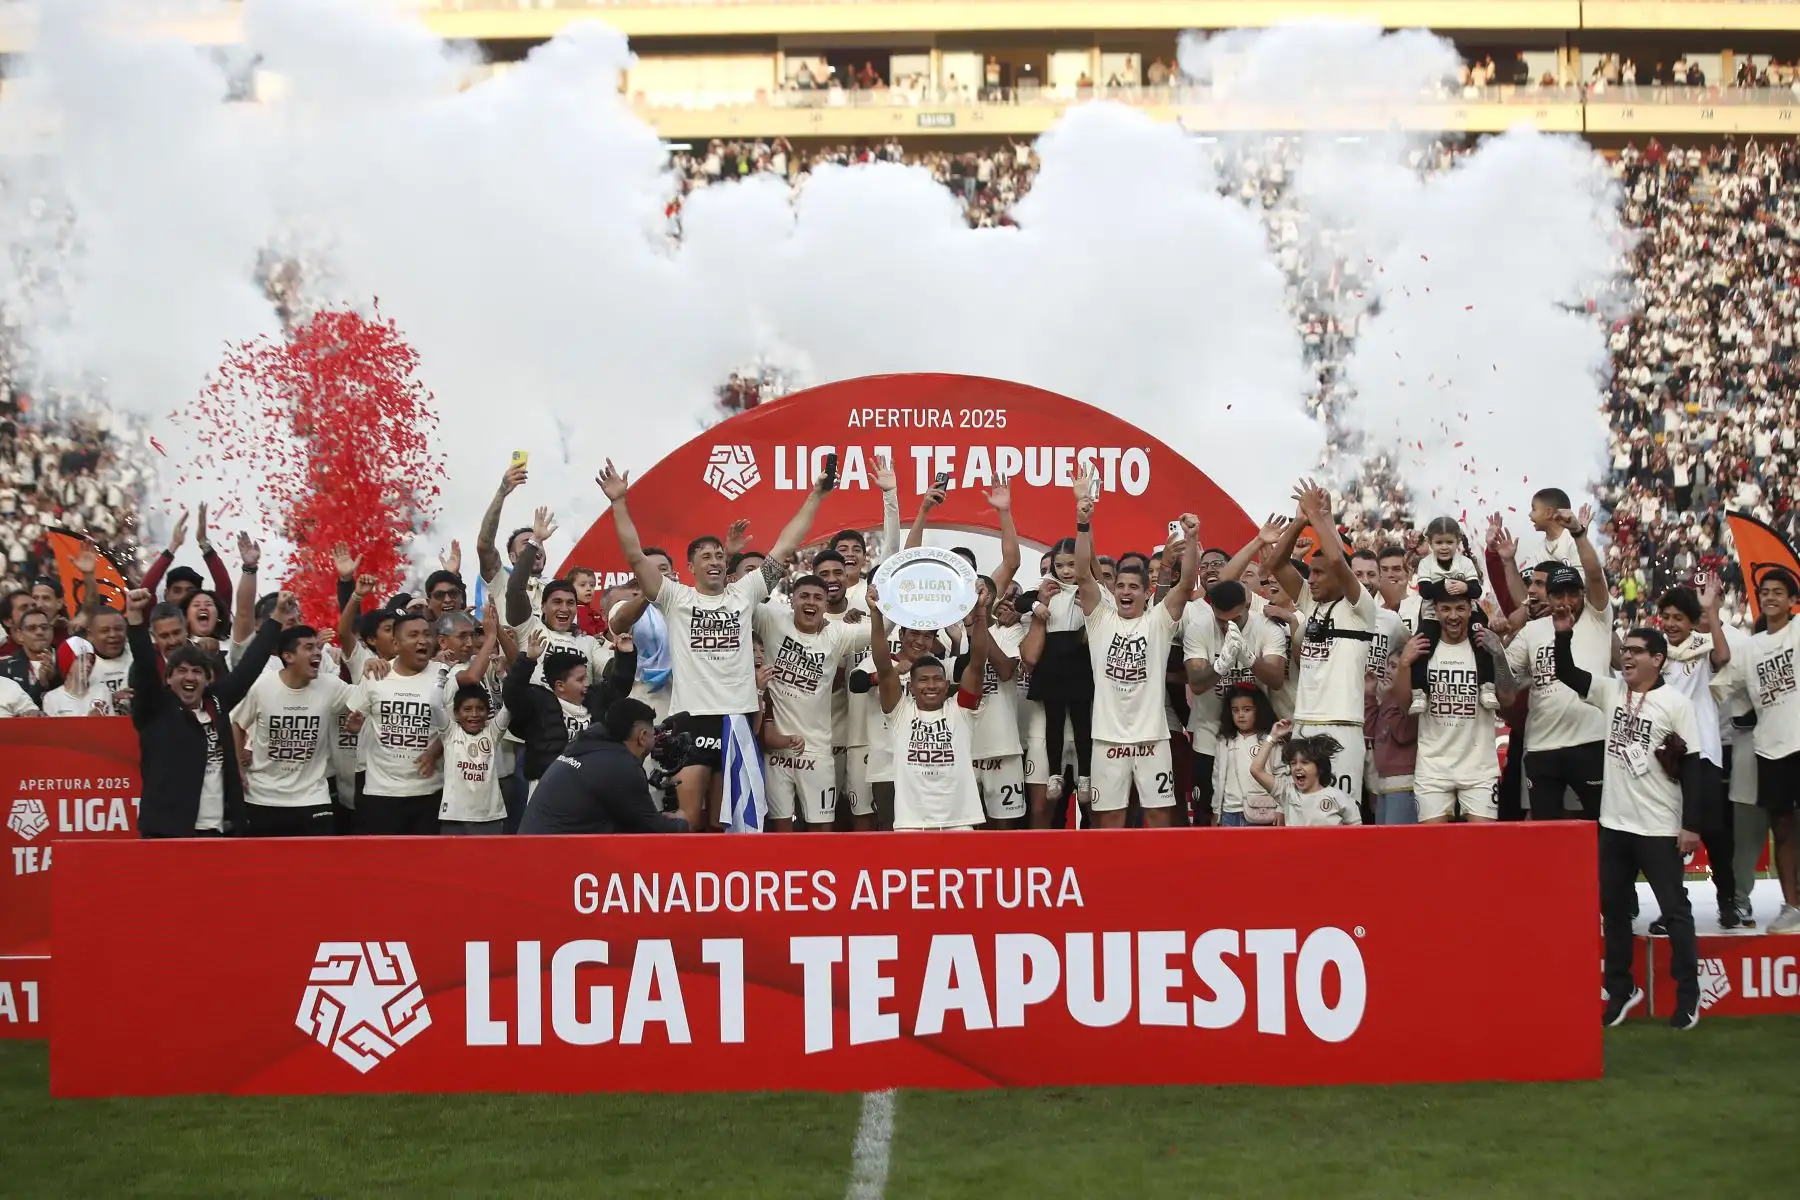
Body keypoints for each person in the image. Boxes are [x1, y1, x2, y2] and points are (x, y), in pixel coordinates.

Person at [599, 456, 828, 831]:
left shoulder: (745, 592)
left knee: (729, 826)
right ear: (690, 567)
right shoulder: (675, 597)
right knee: (688, 820)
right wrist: (619, 502)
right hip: (690, 717)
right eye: (705, 556)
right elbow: (635, 556)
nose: (715, 560)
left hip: (736, 719)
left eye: (720, 555)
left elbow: (786, 544)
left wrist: (816, 494)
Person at [1553, 621, 1706, 1029]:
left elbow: (1694, 767)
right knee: (1615, 912)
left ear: (1658, 659)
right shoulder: (1612, 691)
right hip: (1615, 823)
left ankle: (1689, 995)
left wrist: (1691, 825)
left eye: (1637, 651)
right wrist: (1563, 634)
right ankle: (1621, 990)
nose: (1627, 656)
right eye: (1626, 650)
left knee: (1675, 911)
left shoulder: (1676, 704)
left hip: (1659, 826)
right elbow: (1566, 672)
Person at [1075, 482, 1199, 829]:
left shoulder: (1158, 621)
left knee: (1159, 817)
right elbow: (1083, 573)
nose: (1125, 591)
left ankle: (1159, 867)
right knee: (1109, 819)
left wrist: (1192, 540)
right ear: (1113, 591)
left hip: (1152, 738)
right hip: (1107, 739)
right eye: (1120, 586)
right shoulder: (1100, 619)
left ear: (1147, 592)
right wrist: (1082, 523)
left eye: (1133, 587)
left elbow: (1186, 583)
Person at [124, 586, 288, 838]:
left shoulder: (216, 702)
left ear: (207, 678)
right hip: (168, 833)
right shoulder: (156, 707)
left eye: (197, 671)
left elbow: (250, 666)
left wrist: (276, 618)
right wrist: (135, 618)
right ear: (168, 679)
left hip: (220, 830)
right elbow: (145, 666)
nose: (190, 677)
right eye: (181, 671)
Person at [1262, 479, 1379, 797]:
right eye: (1310, 572)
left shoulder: (1360, 608)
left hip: (1342, 726)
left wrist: (1317, 515)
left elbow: (1338, 560)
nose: (1310, 579)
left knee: (1340, 812)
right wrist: (1300, 521)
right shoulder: (1309, 602)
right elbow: (1275, 564)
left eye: (1318, 573)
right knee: (1301, 811)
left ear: (1340, 578)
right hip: (1303, 725)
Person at [1504, 507, 1614, 821]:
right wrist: (1496, 648)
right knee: (1544, 830)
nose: (1566, 601)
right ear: (1548, 598)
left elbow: (1595, 575)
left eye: (1573, 594)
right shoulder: (1533, 630)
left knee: (1601, 824)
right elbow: (1507, 680)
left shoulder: (1597, 617)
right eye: (1558, 595)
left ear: (1583, 594)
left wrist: (1578, 533)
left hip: (1591, 740)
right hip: (1542, 745)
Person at [1711, 566, 1800, 934]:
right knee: (1783, 830)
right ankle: (1792, 907)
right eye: (1765, 592)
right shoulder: (1748, 649)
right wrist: (1712, 614)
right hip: (1770, 749)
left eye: (1779, 591)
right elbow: (1720, 683)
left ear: (1793, 600)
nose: (1771, 596)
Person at [755, 574, 871, 831]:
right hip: (776, 754)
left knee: (822, 833)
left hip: (816, 752)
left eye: (818, 598)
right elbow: (740, 601)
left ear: (826, 604)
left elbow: (879, 631)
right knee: (781, 832)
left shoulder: (836, 634)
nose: (811, 602)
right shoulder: (773, 619)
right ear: (792, 600)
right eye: (804, 596)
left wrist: (876, 609)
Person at [1653, 580, 1739, 929]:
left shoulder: (1704, 648)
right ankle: (1674, 908)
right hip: (1666, 760)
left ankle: (1727, 901)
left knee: (1714, 833)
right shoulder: (1655, 653)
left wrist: (1710, 611)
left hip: (1703, 754)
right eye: (1666, 617)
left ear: (1691, 622)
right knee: (1667, 836)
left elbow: (1723, 657)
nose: (1671, 624)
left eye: (1678, 618)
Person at [870, 581, 986, 831]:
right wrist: (876, 614)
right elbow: (883, 667)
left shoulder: (962, 710)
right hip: (911, 823)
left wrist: (981, 612)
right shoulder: (900, 712)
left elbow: (977, 664)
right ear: (910, 687)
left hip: (960, 821)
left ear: (947, 685)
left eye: (937, 679)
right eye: (923, 680)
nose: (931, 685)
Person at [230, 624, 360, 836]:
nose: (317, 652)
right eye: (309, 647)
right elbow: (237, 723)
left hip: (313, 797)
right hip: (263, 797)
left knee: (319, 857)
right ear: (288, 656)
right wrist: (236, 765)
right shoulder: (262, 686)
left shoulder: (330, 685)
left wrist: (373, 665)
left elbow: (367, 698)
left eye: (317, 647)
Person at [1392, 595, 1509, 823]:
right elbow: (1403, 705)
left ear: (1470, 610)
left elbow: (1507, 700)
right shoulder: (1423, 649)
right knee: (1434, 843)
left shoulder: (1483, 648)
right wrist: (1404, 663)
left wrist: (1499, 656)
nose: (1453, 616)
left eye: (1460, 609)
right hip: (1432, 768)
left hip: (1479, 769)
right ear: (1435, 611)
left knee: (1483, 842)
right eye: (1445, 608)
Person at [345, 611, 449, 835]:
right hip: (381, 793)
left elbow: (456, 727)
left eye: (427, 634)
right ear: (396, 643)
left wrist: (436, 750)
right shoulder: (375, 675)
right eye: (413, 635)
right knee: (381, 857)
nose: (422, 640)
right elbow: (353, 718)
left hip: (429, 792)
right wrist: (354, 726)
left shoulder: (444, 677)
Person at [518, 698, 690, 834]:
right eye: (653, 733)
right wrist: (681, 822)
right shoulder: (621, 767)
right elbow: (653, 830)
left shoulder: (585, 746)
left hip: (533, 846)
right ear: (642, 736)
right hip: (554, 857)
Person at [1407, 516, 1493, 716]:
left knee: (1482, 639)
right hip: (1433, 614)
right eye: (1439, 542)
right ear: (1430, 543)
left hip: (1466, 613)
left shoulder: (1465, 563)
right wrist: (1444, 584)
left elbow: (1476, 591)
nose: (1444, 547)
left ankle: (1487, 686)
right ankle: (1419, 692)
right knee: (1422, 646)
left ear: (1457, 542)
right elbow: (1425, 591)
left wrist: (1465, 587)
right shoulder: (1426, 564)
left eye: (1449, 542)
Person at [1251, 720, 1361, 826]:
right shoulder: (1287, 793)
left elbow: (1357, 832)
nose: (1297, 767)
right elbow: (1256, 770)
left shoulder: (1339, 798)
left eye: (1305, 762)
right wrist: (1273, 736)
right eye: (1293, 763)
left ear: (1319, 767)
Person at [439, 683, 511, 834]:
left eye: (480, 709)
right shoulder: (450, 733)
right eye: (467, 709)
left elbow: (510, 704)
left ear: (488, 713)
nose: (474, 714)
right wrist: (442, 675)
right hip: (454, 816)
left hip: (489, 817)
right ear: (456, 713)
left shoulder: (492, 733)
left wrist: (502, 677)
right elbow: (434, 704)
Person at [1212, 685, 1279, 825]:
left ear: (1259, 710)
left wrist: (1281, 807)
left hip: (1262, 810)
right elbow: (1217, 777)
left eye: (1247, 709)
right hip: (1229, 812)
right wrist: (1216, 810)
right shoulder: (1224, 741)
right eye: (1235, 710)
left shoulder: (1270, 739)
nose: (1240, 715)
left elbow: (1280, 776)